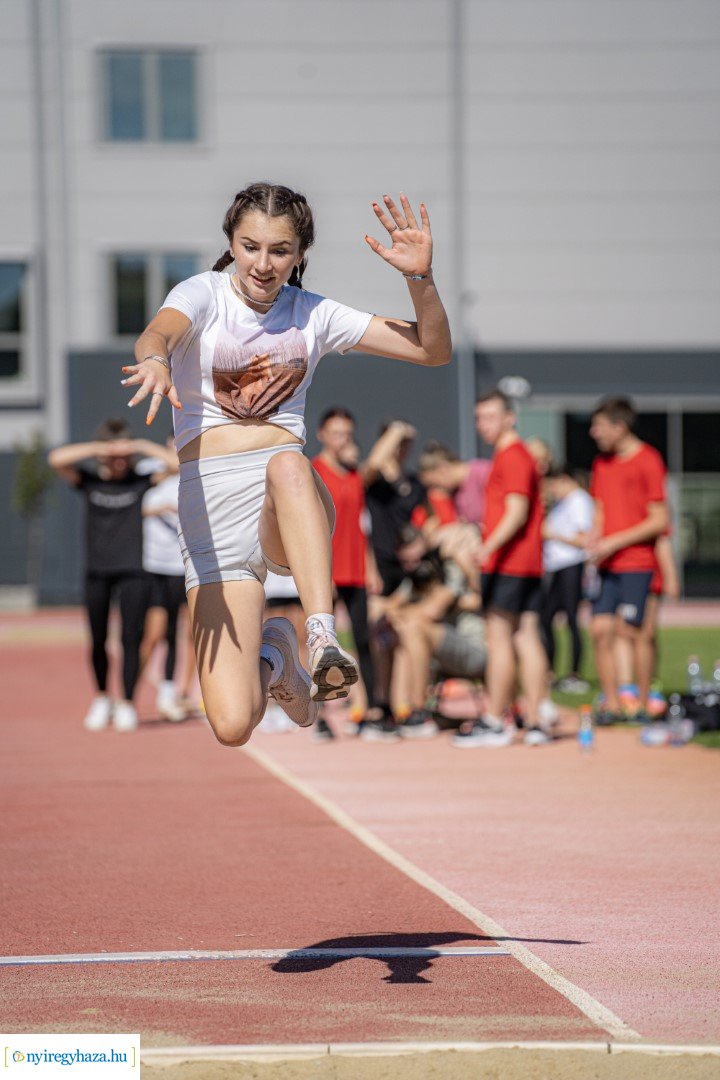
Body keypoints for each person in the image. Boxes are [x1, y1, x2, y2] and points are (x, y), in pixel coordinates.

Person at [120, 183, 451, 748]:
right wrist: (153, 360)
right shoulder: (203, 293)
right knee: (231, 723)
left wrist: (418, 278)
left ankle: (321, 634)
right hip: (212, 527)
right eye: (250, 247)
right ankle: (276, 657)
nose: (263, 264)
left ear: (300, 253)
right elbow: (160, 331)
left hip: (285, 506)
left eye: (279, 250)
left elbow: (431, 350)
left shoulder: (313, 313)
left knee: (288, 465)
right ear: (231, 242)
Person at [48, 420, 178, 732]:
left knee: (130, 638)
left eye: (124, 456)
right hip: (97, 571)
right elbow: (56, 459)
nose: (119, 462)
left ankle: (128, 702)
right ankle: (103, 697)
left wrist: (136, 446)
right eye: (113, 456)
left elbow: (176, 464)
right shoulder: (89, 480)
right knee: (97, 639)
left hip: (134, 571)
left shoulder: (139, 480)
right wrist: (103, 449)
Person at [453, 390, 548, 747]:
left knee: (500, 639)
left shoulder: (513, 456)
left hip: (510, 562)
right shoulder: (512, 456)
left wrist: (487, 547)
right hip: (525, 563)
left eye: (490, 417)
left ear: (510, 417)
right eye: (479, 418)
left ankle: (495, 719)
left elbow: (517, 511)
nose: (483, 425)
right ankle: (535, 721)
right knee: (525, 636)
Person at [587, 397, 669, 725]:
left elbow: (659, 519)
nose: (594, 432)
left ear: (620, 427)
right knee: (599, 630)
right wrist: (595, 537)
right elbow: (600, 509)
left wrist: (614, 541)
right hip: (607, 564)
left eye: (600, 426)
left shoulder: (648, 459)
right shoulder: (602, 464)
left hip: (637, 562)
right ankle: (612, 703)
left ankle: (643, 702)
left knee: (634, 632)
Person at [312, 407, 385, 740]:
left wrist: (370, 567)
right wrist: (316, 570)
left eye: (347, 434)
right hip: (324, 567)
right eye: (336, 433)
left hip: (354, 566)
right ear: (322, 435)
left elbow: (361, 523)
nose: (342, 440)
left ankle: (369, 711)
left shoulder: (355, 474)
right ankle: (319, 715)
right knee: (319, 642)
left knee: (363, 639)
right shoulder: (314, 471)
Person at [139, 438, 197, 722]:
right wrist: (157, 510)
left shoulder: (192, 474)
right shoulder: (149, 470)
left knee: (181, 633)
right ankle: (127, 694)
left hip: (181, 566)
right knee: (151, 634)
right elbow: (132, 506)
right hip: (151, 566)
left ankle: (174, 693)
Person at [540, 464, 595, 693]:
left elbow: (584, 540)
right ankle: (549, 671)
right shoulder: (561, 504)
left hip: (571, 565)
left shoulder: (580, 500)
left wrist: (552, 535)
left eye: (554, 484)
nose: (552, 490)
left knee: (572, 619)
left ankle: (574, 674)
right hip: (556, 565)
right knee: (546, 619)